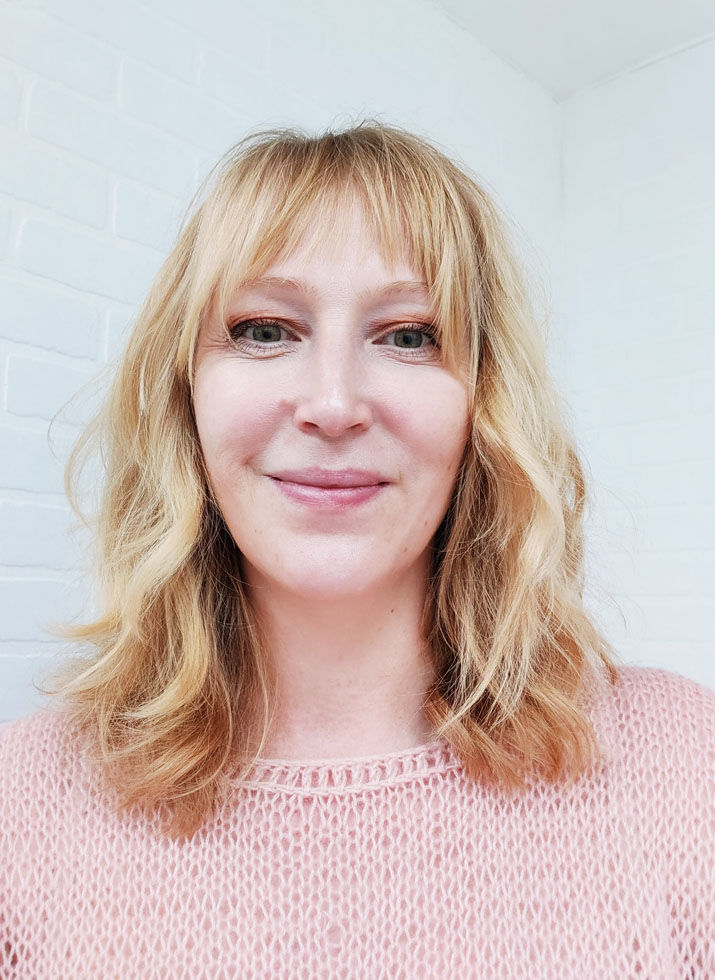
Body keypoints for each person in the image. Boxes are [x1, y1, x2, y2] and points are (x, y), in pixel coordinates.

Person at [0, 121, 712, 979]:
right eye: (265, 329)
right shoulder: (21, 805)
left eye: (408, 335)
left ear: (483, 404)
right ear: (185, 393)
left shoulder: (682, 763)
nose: (333, 404)